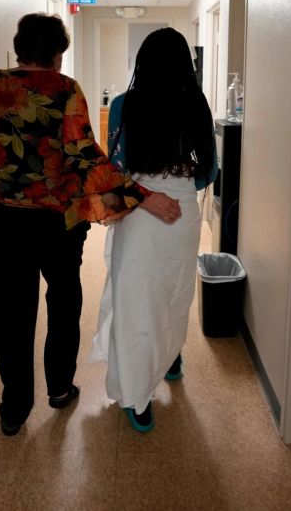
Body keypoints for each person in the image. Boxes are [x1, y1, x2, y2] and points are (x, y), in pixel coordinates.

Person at [0, 13, 182, 437]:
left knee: (9, 313)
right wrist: (143, 196)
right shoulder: (64, 90)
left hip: (0, 222)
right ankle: (59, 387)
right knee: (62, 300)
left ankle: (14, 408)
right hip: (56, 223)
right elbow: (85, 154)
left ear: (20, 46)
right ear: (58, 54)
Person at [89, 27, 218, 433]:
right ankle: (171, 358)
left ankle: (137, 395)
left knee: (136, 302)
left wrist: (149, 192)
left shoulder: (127, 103)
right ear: (186, 63)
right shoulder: (196, 103)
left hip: (141, 209)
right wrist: (177, 188)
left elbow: (114, 165)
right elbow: (208, 169)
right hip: (181, 213)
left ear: (142, 61)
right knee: (174, 292)